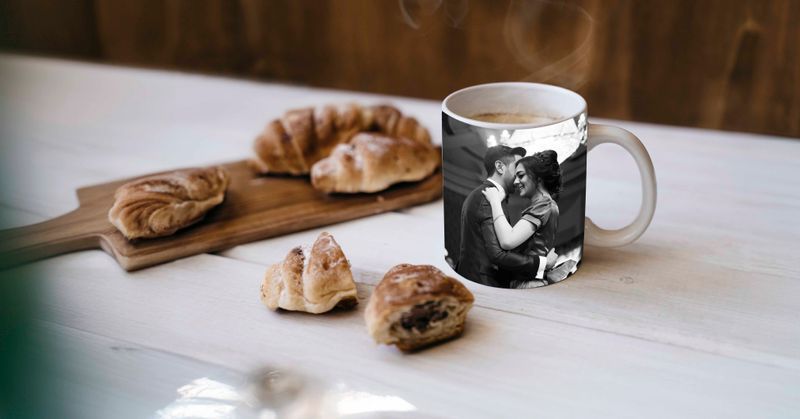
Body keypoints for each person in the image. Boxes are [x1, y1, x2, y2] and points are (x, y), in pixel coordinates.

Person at [456, 145, 546, 288]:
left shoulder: (488, 195)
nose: (519, 177)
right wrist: (542, 263)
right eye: (516, 169)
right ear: (500, 167)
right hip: (482, 283)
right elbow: (497, 255)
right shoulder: (486, 197)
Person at [482, 150, 563, 288]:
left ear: (538, 177)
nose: (515, 181)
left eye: (521, 176)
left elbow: (507, 241)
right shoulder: (543, 205)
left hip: (529, 284)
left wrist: (495, 202)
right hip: (525, 282)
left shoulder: (544, 204)